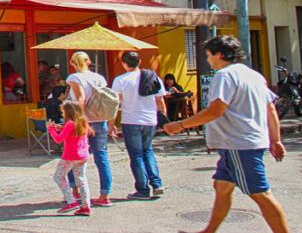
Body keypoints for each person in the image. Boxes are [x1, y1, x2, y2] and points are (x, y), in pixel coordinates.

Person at [163, 35, 289, 233]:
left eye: (208, 55)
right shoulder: (253, 75)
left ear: (219, 55)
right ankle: (208, 231)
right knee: (222, 188)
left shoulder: (224, 76)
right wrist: (276, 140)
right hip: (242, 143)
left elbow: (215, 110)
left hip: (238, 144)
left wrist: (180, 125)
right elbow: (271, 109)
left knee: (261, 194)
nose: (208, 60)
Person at [111, 51, 165, 200]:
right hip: (150, 120)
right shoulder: (153, 77)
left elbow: (115, 104)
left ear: (124, 64)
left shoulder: (120, 80)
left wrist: (111, 123)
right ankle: (157, 183)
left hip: (131, 120)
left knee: (136, 156)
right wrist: (163, 120)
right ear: (140, 62)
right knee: (148, 151)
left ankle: (142, 189)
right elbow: (160, 102)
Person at [65, 50, 114, 207]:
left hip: (83, 121)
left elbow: (81, 99)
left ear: (72, 63)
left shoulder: (74, 77)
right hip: (100, 120)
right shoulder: (99, 77)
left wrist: (74, 119)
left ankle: (76, 192)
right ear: (88, 62)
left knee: (73, 156)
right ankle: (104, 195)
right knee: (102, 156)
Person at [48, 101, 93, 216]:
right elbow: (71, 133)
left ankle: (71, 201)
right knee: (82, 180)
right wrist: (61, 128)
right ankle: (86, 205)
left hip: (70, 156)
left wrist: (51, 129)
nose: (63, 114)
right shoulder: (83, 122)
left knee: (58, 176)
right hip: (83, 156)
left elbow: (58, 139)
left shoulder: (70, 124)